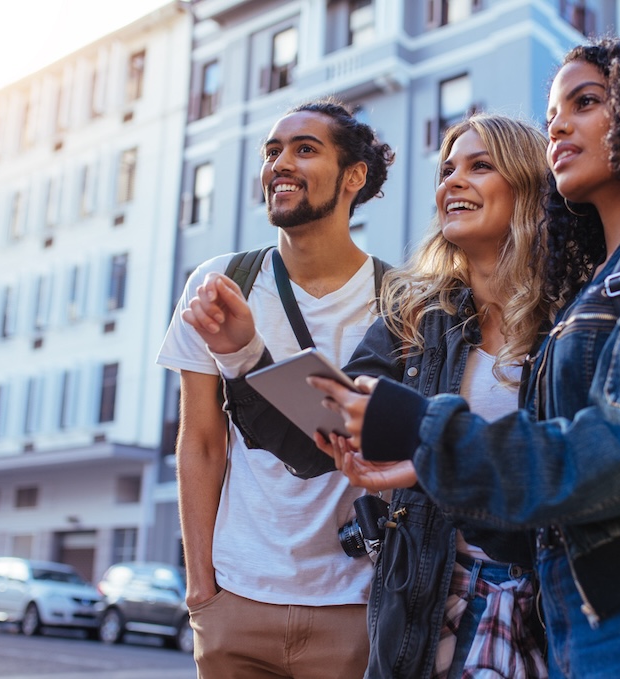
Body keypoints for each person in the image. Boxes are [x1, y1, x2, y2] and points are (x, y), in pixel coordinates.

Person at [310, 26, 620, 678]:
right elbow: (550, 475)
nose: (559, 125)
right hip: (585, 620)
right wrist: (425, 468)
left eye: (586, 102)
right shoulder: (592, 295)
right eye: (551, 114)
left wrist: (426, 434)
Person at [204, 115, 554, 678]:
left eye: (479, 166)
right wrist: (245, 353)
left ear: (531, 184)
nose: (452, 183)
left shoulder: (573, 321)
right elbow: (320, 442)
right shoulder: (413, 317)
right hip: (429, 605)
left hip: (548, 601)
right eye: (446, 170)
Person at [156, 98, 394, 679]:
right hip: (236, 599)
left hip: (353, 604)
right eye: (272, 152)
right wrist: (201, 588)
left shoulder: (401, 299)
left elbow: (349, 447)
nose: (279, 164)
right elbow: (202, 444)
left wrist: (246, 353)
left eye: (304, 149)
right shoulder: (221, 282)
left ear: (353, 177)